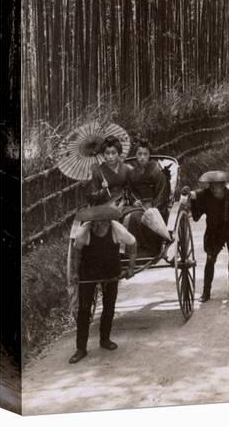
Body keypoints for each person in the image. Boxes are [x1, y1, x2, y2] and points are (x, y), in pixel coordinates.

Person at [68, 211, 137, 364]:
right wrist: (74, 272)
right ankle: (81, 348)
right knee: (84, 309)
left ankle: (105, 340)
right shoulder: (84, 231)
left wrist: (131, 267)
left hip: (110, 272)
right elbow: (76, 253)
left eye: (102, 221)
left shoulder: (116, 228)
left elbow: (133, 243)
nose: (98, 225)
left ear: (107, 220)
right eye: (96, 222)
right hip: (88, 272)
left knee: (109, 306)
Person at [182, 171, 229, 303]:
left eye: (218, 186)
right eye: (212, 186)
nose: (215, 189)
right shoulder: (206, 194)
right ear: (209, 186)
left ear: (223, 185)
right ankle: (206, 292)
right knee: (210, 260)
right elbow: (194, 195)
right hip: (214, 232)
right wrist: (187, 193)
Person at [125, 139, 169, 256]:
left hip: (155, 205)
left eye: (145, 154)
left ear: (150, 155)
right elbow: (130, 191)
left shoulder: (156, 171)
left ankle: (149, 249)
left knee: (138, 217)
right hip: (138, 205)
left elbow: (162, 192)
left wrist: (154, 207)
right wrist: (134, 201)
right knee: (127, 216)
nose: (142, 157)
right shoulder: (132, 173)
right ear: (135, 156)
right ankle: (132, 249)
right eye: (139, 154)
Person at [89, 136, 132, 206]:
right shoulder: (98, 171)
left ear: (118, 153)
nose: (110, 156)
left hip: (124, 203)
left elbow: (132, 189)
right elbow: (93, 198)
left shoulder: (126, 168)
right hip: (105, 206)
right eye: (107, 153)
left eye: (113, 153)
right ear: (103, 154)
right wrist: (103, 190)